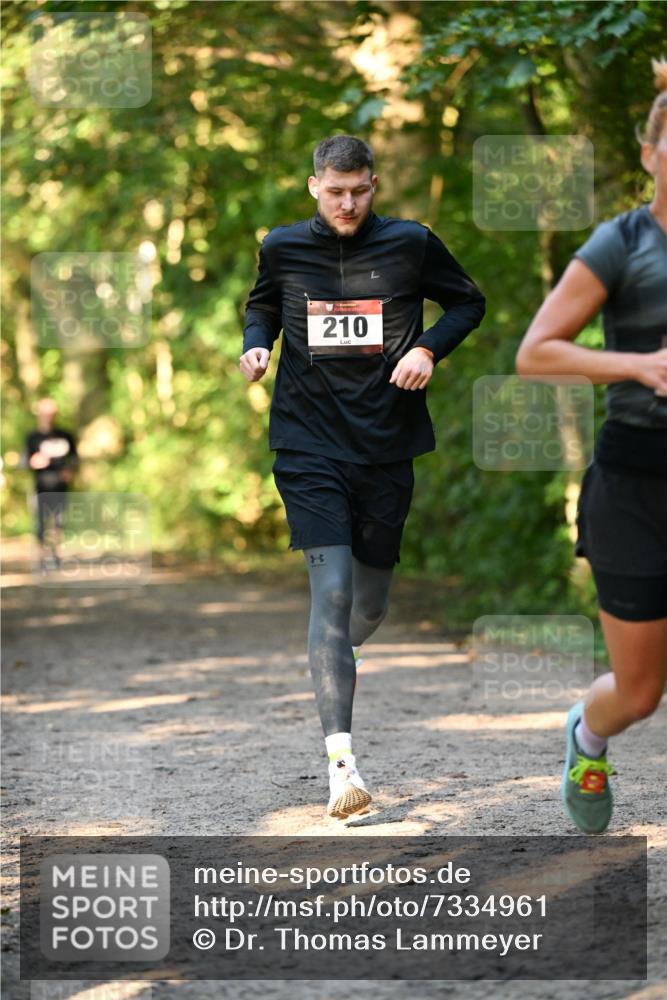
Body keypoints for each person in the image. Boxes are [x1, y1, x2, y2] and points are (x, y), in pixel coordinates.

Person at [240, 135, 485, 818]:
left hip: (384, 444)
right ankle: (342, 768)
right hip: (306, 444)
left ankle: (337, 657)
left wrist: (429, 349)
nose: (347, 204)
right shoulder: (283, 246)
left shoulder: (411, 243)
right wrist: (255, 345)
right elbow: (262, 307)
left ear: (373, 185)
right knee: (334, 591)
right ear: (313, 186)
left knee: (367, 608)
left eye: (359, 191)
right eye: (335, 191)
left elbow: (468, 303)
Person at [516, 59, 667, 834]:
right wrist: (638, 365)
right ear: (649, 153)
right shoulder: (622, 242)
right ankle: (587, 734)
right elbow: (535, 352)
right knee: (639, 693)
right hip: (633, 490)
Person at [23, 398, 79, 570]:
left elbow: (75, 459)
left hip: (60, 487)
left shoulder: (65, 436)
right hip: (41, 487)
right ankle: (41, 558)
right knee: (41, 524)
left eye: (52, 414)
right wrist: (33, 462)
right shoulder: (33, 438)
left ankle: (56, 556)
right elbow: (23, 461)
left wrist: (70, 471)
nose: (49, 417)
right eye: (46, 414)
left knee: (58, 523)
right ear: (39, 415)